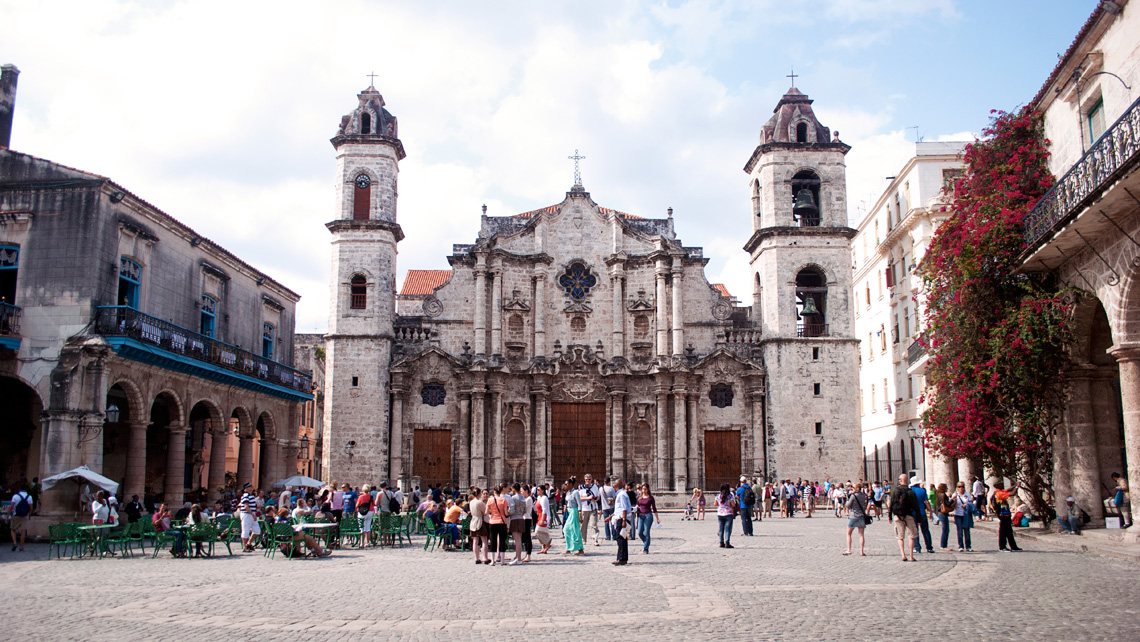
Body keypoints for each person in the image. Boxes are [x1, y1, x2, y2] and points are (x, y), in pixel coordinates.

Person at [890, 473, 919, 562]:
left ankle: (903, 554)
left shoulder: (894, 491)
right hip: (909, 515)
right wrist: (919, 519)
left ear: (900, 480)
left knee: (900, 537)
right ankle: (911, 555)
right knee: (911, 536)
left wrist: (889, 516)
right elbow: (916, 506)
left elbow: (891, 504)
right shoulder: (911, 492)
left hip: (898, 516)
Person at [990, 482, 1022, 552]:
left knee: (1009, 531)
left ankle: (1013, 546)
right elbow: (1012, 494)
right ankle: (1002, 546)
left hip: (1006, 514)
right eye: (1001, 484)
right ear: (998, 486)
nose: (1002, 485)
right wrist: (1017, 487)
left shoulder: (1000, 491)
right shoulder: (999, 494)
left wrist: (1015, 485)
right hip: (1002, 514)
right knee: (1003, 531)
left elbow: (1008, 489)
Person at [485, 485, 510, 565]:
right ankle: (502, 561)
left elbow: (486, 512)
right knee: (502, 541)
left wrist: (492, 511)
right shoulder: (503, 500)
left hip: (492, 522)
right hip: (502, 522)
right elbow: (506, 513)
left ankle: (492, 561)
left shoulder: (490, 500)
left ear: (494, 492)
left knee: (493, 541)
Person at [910, 477, 934, 554]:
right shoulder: (922, 490)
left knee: (915, 531)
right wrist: (930, 511)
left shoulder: (910, 491)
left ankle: (917, 548)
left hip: (913, 513)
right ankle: (929, 547)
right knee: (925, 530)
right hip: (922, 513)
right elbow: (926, 501)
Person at [844, 481, 869, 556]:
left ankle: (849, 549)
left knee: (848, 533)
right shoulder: (863, 496)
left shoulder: (853, 496)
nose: (852, 488)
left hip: (853, 516)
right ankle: (861, 551)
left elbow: (847, 506)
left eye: (853, 487)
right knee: (861, 535)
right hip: (861, 516)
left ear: (857, 488)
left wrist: (847, 499)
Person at [578, 474, 602, 546]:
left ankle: (595, 540)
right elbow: (579, 498)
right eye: (586, 479)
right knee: (583, 525)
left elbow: (598, 496)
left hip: (593, 508)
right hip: (584, 508)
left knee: (593, 524)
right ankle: (583, 539)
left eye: (589, 479)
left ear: (591, 479)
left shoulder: (595, 487)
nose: (587, 481)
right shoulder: (581, 487)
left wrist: (595, 499)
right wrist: (588, 498)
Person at [610, 479, 631, 566]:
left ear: (616, 486)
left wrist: (623, 520)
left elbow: (624, 508)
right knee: (623, 538)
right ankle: (623, 558)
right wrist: (610, 517)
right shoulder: (621, 494)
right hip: (620, 517)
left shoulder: (621, 495)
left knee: (620, 539)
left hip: (621, 519)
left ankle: (621, 558)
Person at [562, 481, 584, 555]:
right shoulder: (568, 493)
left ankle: (580, 549)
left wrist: (580, 515)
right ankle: (569, 547)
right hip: (569, 511)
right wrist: (566, 506)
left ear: (571, 485)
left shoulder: (575, 492)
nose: (565, 485)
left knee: (575, 530)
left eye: (566, 484)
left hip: (574, 512)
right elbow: (568, 502)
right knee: (567, 529)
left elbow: (579, 504)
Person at [637, 484, 660, 554]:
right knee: (639, 532)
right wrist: (636, 508)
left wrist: (657, 519)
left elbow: (654, 508)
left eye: (645, 489)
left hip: (648, 516)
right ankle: (646, 542)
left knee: (646, 532)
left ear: (648, 489)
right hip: (640, 516)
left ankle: (646, 549)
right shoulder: (639, 497)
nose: (644, 490)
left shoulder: (650, 498)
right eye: (643, 489)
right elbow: (638, 505)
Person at [950, 481, 974, 551]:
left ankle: (968, 546)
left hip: (966, 514)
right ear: (957, 487)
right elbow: (952, 505)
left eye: (962, 486)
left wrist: (967, 504)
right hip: (958, 514)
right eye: (959, 487)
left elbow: (970, 503)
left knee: (967, 530)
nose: (961, 488)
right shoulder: (955, 494)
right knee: (959, 531)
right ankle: (961, 546)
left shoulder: (967, 494)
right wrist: (953, 500)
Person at [506, 483, 526, 565]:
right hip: (521, 518)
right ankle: (518, 556)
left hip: (514, 519)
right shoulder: (523, 498)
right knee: (519, 540)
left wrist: (507, 512)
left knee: (517, 540)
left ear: (514, 489)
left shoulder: (513, 498)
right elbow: (525, 510)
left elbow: (512, 510)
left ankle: (518, 559)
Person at [8, 483, 32, 552]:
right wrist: (29, 516)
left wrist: (7, 517)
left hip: (16, 515)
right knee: (23, 531)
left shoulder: (15, 496)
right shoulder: (29, 497)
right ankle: (21, 547)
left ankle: (15, 542)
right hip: (25, 515)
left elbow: (11, 506)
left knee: (13, 529)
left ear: (19, 488)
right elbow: (30, 508)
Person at [238, 483, 261, 553]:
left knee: (257, 531)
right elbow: (246, 506)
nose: (252, 487)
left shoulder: (251, 496)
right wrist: (252, 514)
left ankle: (248, 543)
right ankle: (244, 547)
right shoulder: (246, 495)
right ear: (247, 488)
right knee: (245, 530)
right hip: (246, 514)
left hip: (251, 514)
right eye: (250, 486)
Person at [469, 489, 489, 564]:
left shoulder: (471, 502)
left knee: (475, 540)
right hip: (480, 520)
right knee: (484, 540)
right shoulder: (479, 502)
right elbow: (485, 512)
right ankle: (485, 557)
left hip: (473, 520)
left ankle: (476, 557)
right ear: (479, 493)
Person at [715, 483, 737, 548]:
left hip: (720, 513)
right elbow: (733, 505)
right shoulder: (730, 495)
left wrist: (721, 504)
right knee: (727, 529)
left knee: (721, 528)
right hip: (728, 513)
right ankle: (727, 542)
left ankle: (721, 542)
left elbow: (715, 504)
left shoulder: (718, 496)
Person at [534, 486, 553, 554]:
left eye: (539, 490)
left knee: (537, 531)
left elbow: (544, 509)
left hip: (543, 516)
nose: (537, 491)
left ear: (542, 490)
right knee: (542, 532)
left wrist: (542, 519)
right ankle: (544, 547)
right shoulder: (539, 498)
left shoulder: (544, 498)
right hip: (539, 516)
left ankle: (547, 542)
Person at [934, 483, 952, 549]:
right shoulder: (943, 495)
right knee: (945, 529)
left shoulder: (938, 495)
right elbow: (947, 504)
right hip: (943, 513)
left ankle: (943, 545)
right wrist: (952, 499)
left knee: (945, 529)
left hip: (940, 513)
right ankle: (943, 545)